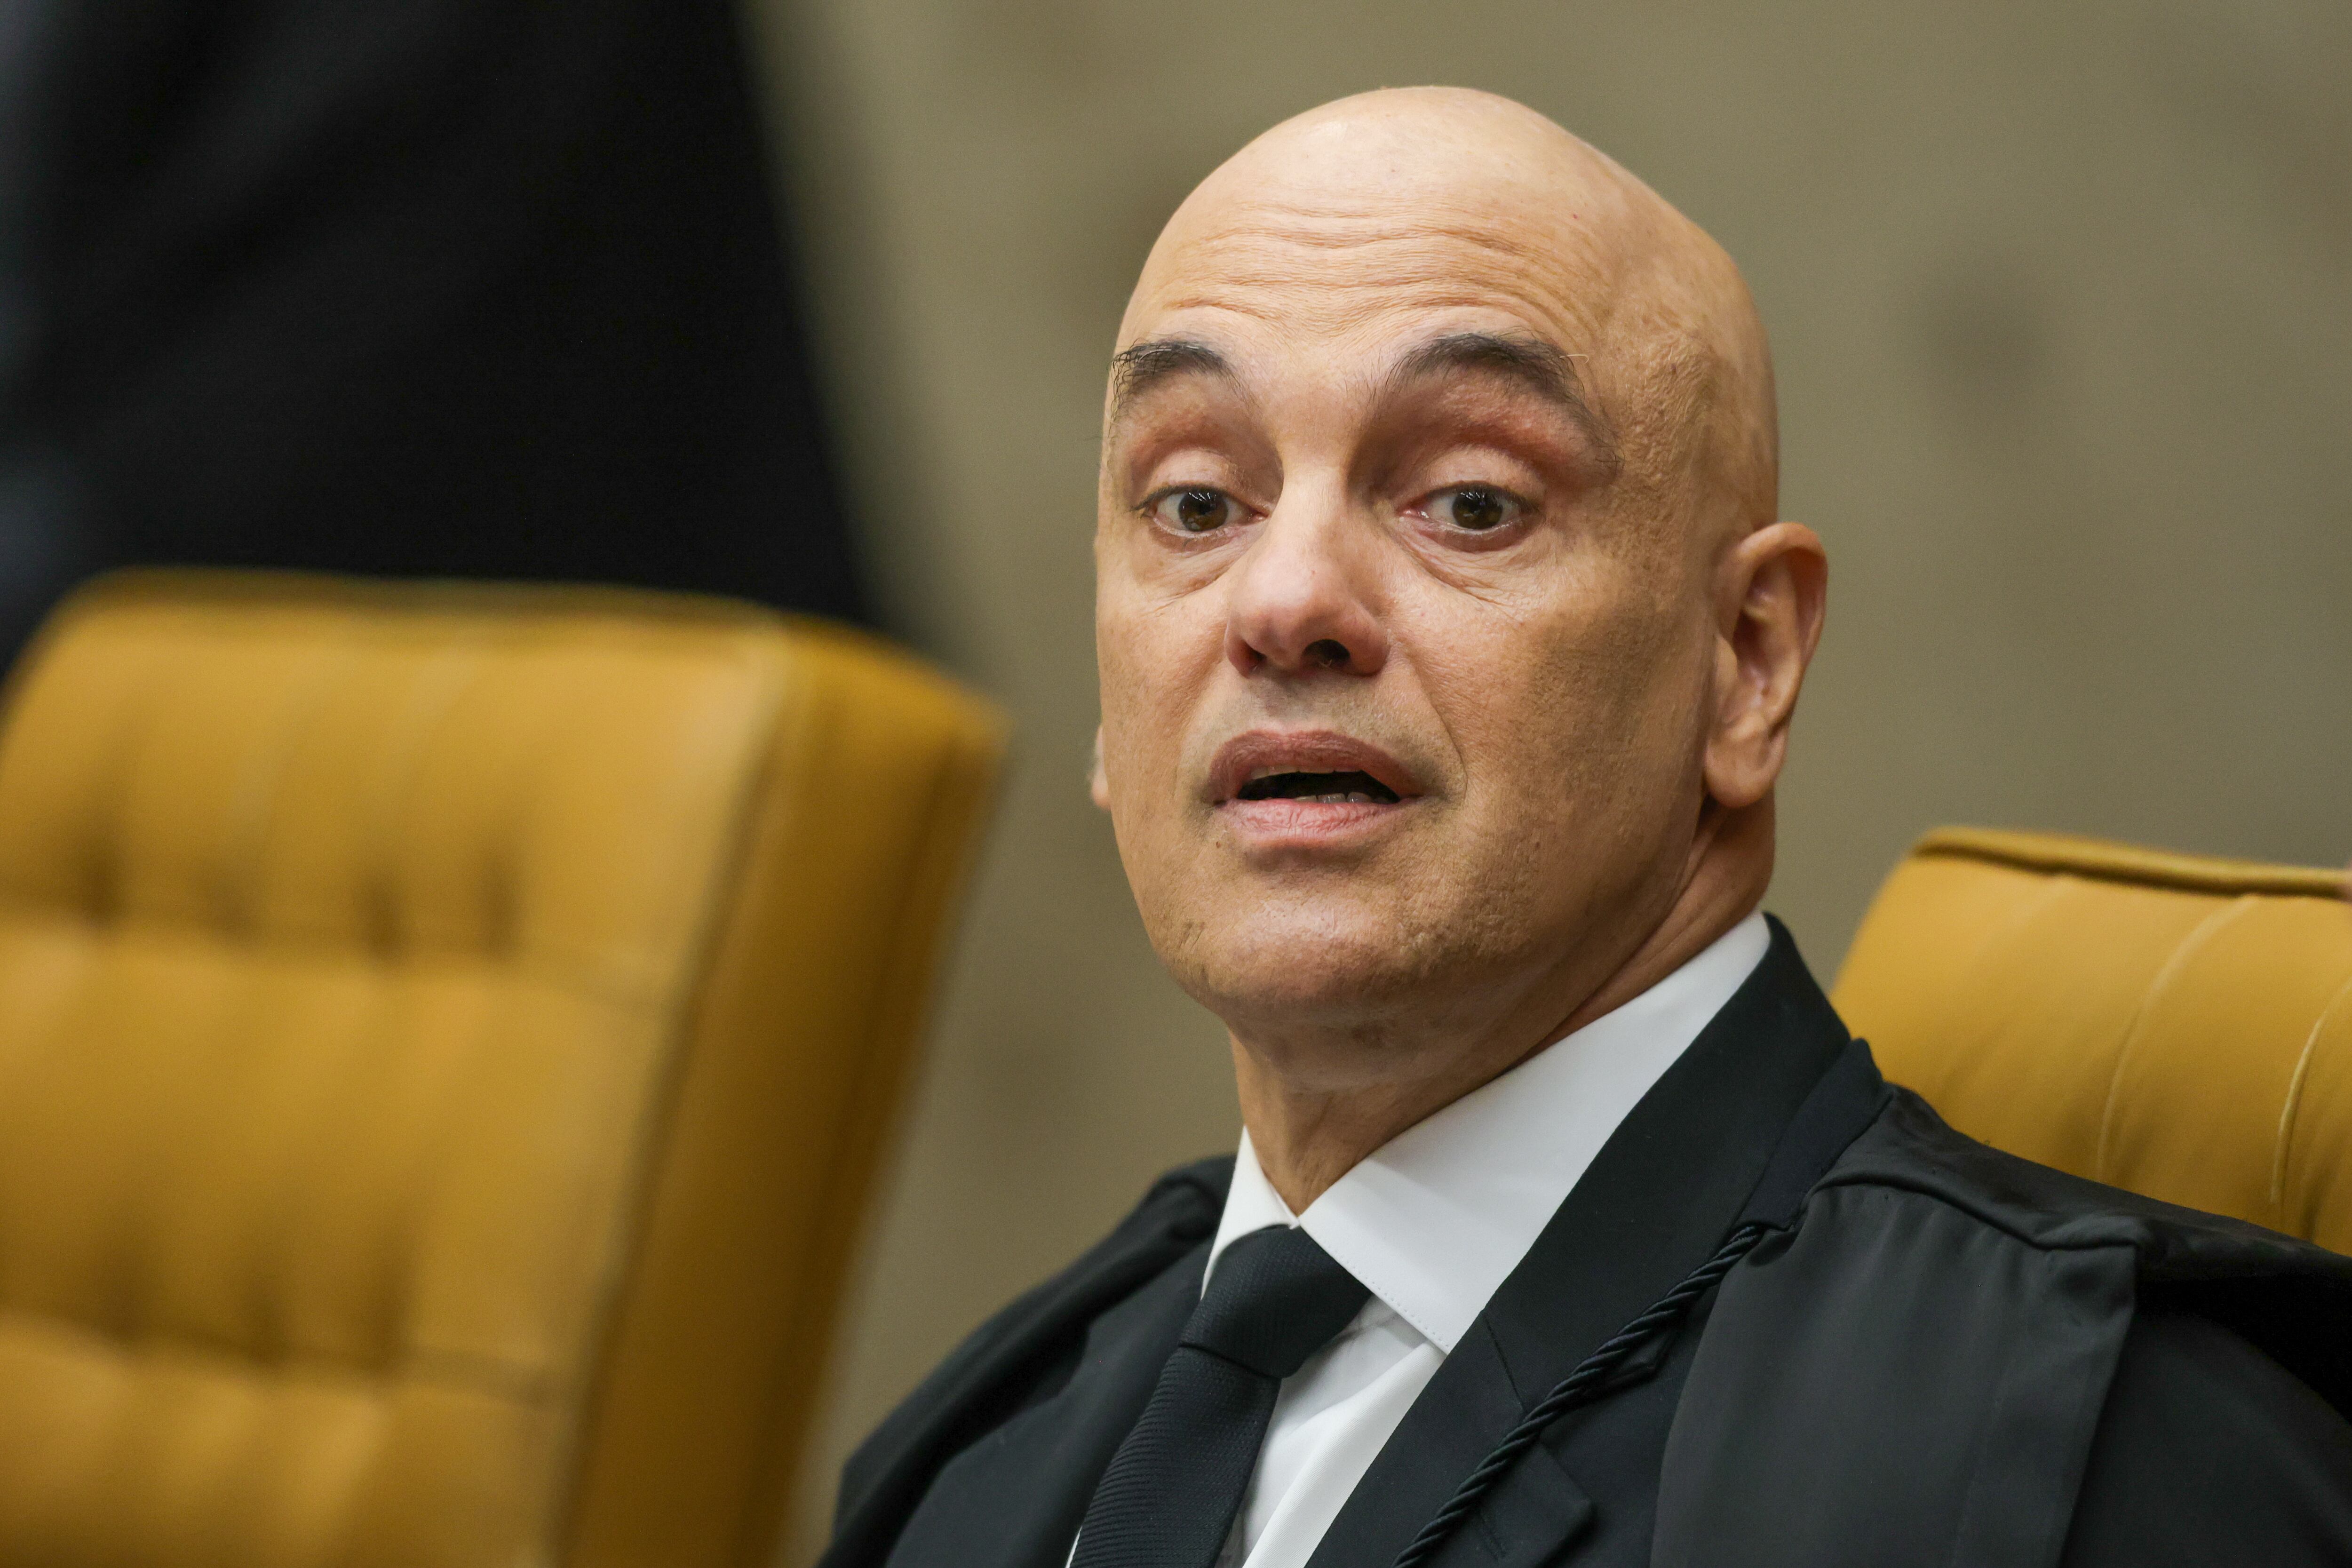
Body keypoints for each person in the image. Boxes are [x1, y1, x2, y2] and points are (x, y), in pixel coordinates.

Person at [824, 88, 2352, 1568]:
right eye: (1198, 503)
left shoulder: (2092, 1453)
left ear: (1746, 661)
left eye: (1471, 502)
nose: (1283, 601)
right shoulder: (977, 1449)